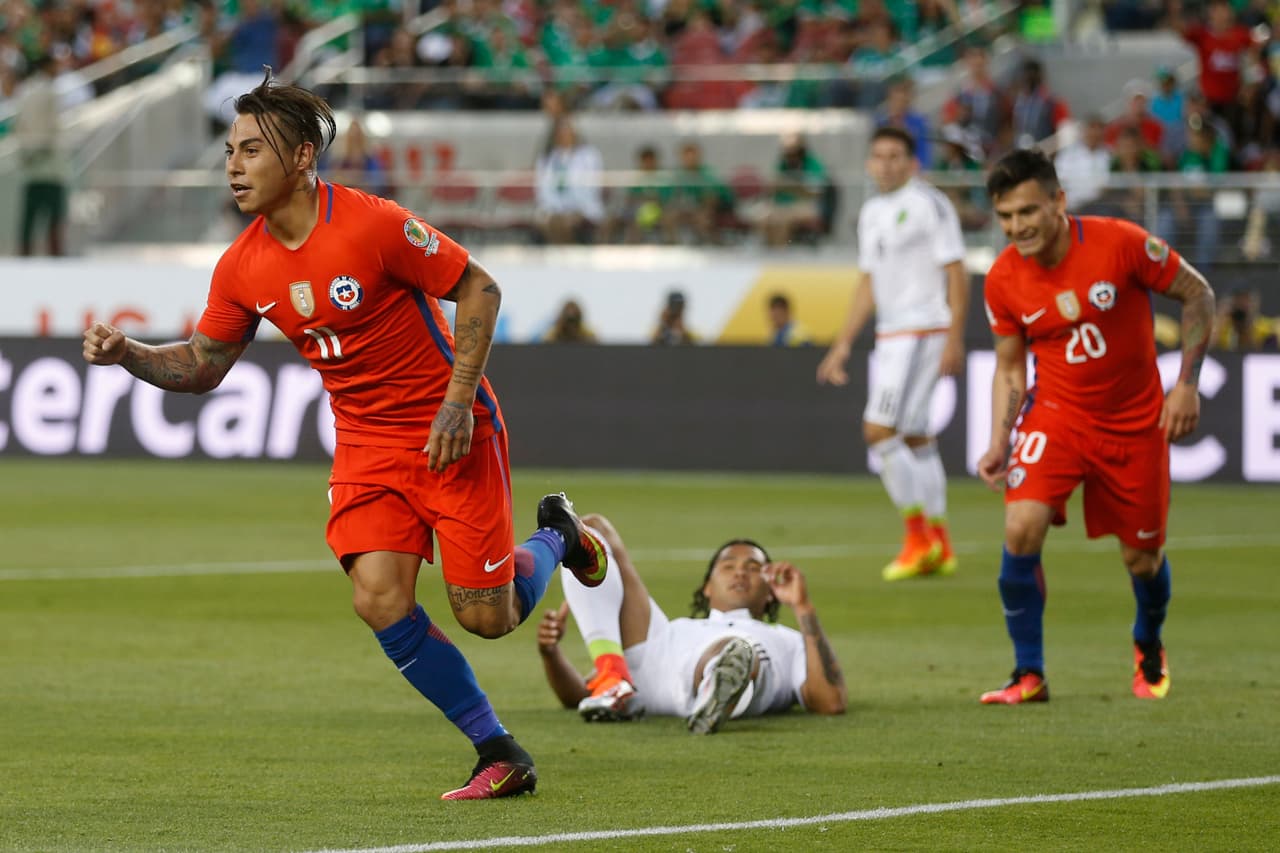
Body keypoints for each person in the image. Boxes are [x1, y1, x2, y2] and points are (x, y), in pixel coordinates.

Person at [81, 70, 611, 800]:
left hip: (447, 430)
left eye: (251, 151)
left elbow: (479, 287)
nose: (233, 166)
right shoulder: (241, 265)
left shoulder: (372, 224)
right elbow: (204, 364)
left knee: (488, 615)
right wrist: (129, 354)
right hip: (366, 445)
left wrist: (459, 401)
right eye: (229, 151)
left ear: (300, 157)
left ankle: (560, 535)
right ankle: (499, 747)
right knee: (379, 598)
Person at [976, 148, 1216, 705]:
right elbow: (1011, 365)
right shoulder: (1003, 279)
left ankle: (1147, 641)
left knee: (1142, 559)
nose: (1017, 227)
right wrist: (998, 439)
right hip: (1057, 415)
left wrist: (1186, 383)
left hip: (1135, 425)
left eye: (1027, 212)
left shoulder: (1121, 242)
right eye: (1006, 217)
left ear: (1058, 202)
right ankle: (1027, 673)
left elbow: (1197, 293)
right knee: (1020, 528)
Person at [816, 127, 969, 582]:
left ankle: (916, 538)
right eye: (879, 156)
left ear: (912, 162)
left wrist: (957, 336)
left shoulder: (929, 204)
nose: (886, 164)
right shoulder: (871, 213)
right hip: (892, 332)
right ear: (869, 163)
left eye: (896, 156)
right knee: (917, 436)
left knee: (879, 431)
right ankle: (940, 544)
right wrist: (843, 342)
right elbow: (869, 282)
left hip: (923, 328)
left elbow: (957, 272)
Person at [535, 513, 846, 731]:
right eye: (728, 565)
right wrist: (552, 656)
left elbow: (829, 701)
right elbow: (578, 696)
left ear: (770, 592)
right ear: (707, 587)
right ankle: (612, 678)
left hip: (737, 664)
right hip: (659, 656)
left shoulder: (787, 639)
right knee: (589, 528)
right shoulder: (678, 630)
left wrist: (803, 607)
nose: (739, 572)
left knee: (735, 650)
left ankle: (719, 682)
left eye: (753, 568)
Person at [15, 54, 68, 257]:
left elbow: (19, 126)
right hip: (50, 165)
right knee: (55, 216)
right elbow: (53, 127)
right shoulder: (49, 92)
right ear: (48, 67)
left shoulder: (25, 90)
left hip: (29, 164)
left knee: (29, 217)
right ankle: (55, 258)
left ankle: (24, 257)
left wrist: (27, 151)